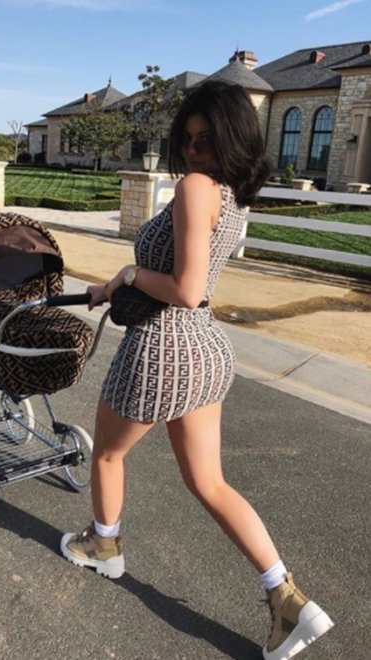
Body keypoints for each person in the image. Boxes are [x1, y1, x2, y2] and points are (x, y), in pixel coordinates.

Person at [60, 80, 334, 659]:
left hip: (161, 351)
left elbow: (185, 289)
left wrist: (128, 276)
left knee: (107, 454)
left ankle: (104, 547)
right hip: (205, 350)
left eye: (205, 139)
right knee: (210, 483)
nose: (192, 149)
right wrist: (116, 284)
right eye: (186, 138)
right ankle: (287, 598)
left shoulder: (194, 187)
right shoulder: (234, 194)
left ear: (231, 137)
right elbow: (197, 283)